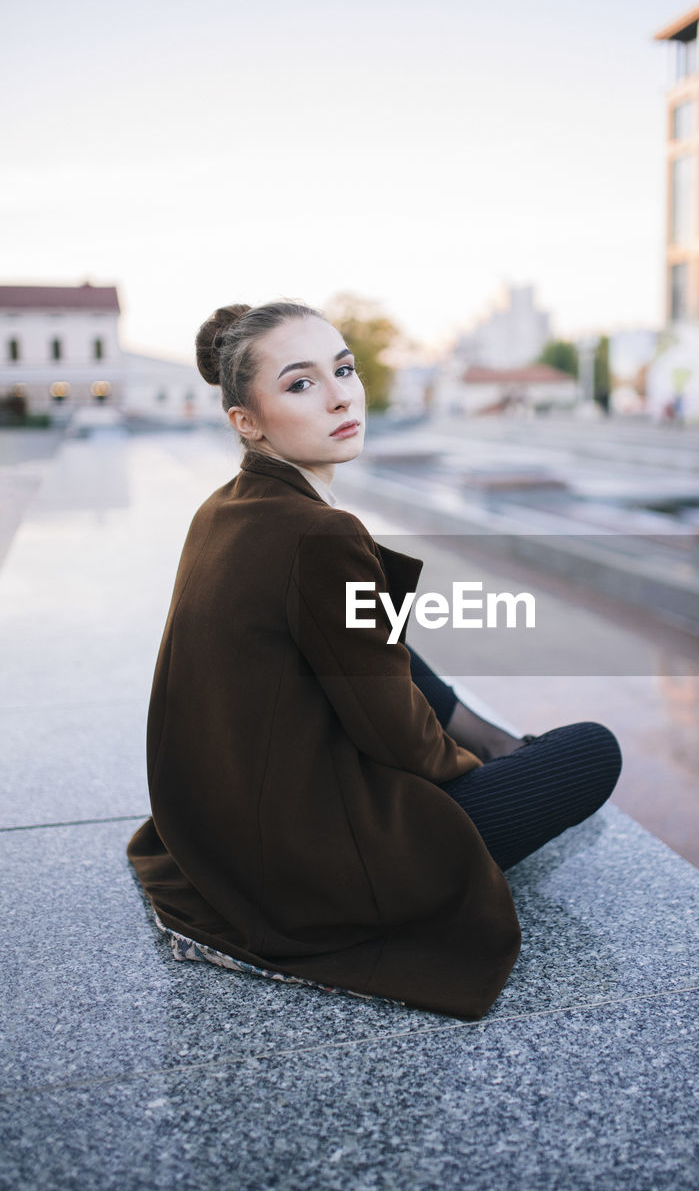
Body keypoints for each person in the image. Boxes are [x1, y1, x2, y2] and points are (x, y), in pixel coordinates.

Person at [127, 300, 622, 1020]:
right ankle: (501, 755)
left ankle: (500, 744)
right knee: (590, 752)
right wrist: (477, 785)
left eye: (343, 369)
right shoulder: (318, 535)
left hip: (219, 831)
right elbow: (403, 743)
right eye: (300, 384)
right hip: (309, 864)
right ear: (247, 421)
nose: (339, 395)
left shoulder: (227, 507)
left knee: (382, 628)